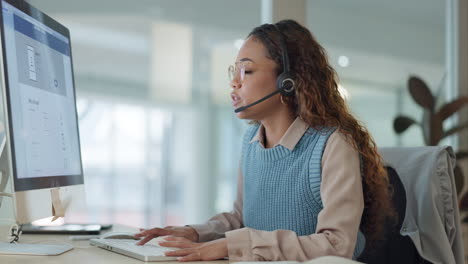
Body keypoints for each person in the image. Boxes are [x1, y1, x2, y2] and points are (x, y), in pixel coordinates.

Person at [135, 19, 394, 262]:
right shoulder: (250, 141)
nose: (234, 83)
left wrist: (233, 245)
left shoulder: (332, 145)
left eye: (246, 70)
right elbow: (241, 219)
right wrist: (194, 233)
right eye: (234, 72)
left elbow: (337, 244)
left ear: (288, 82)